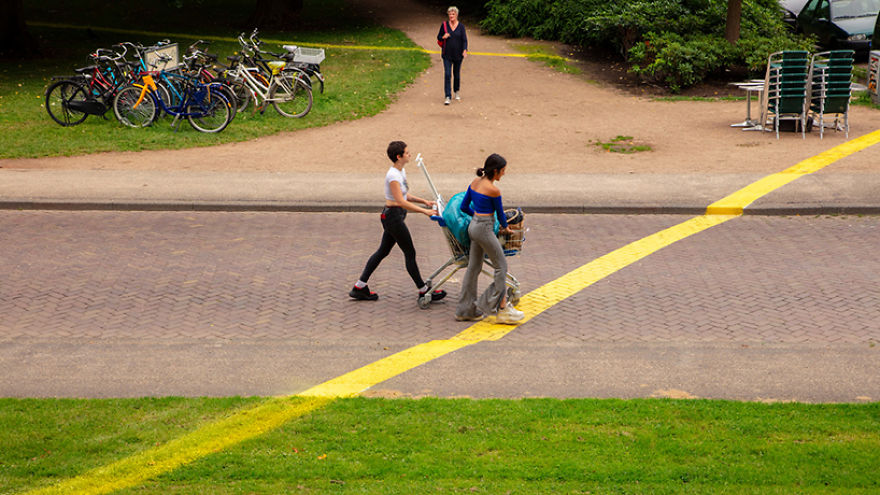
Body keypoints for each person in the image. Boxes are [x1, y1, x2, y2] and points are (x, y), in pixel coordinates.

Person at [349, 141, 447, 304]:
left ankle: (359, 287)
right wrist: (425, 212)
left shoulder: (400, 171)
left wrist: (425, 201)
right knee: (410, 253)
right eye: (407, 153)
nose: (409, 154)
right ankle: (423, 291)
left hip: (395, 217)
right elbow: (400, 201)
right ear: (398, 156)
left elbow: (405, 195)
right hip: (393, 218)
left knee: (382, 251)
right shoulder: (393, 176)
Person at [455, 153, 524, 324]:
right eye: (503, 171)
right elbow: (500, 214)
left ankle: (465, 310)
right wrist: (506, 228)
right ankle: (496, 307)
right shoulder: (494, 190)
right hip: (484, 229)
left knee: (473, 268)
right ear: (495, 171)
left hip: (474, 226)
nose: (504, 174)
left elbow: (464, 207)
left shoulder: (474, 183)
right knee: (501, 266)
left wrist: (477, 217)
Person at [437, 6, 468, 106]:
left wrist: (465, 50)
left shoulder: (461, 27)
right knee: (447, 74)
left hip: (458, 54)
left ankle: (456, 91)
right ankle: (447, 96)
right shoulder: (444, 25)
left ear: (457, 15)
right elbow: (438, 37)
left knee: (456, 74)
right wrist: (443, 37)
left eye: (453, 14)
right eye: (450, 14)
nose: (451, 16)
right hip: (447, 54)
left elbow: (464, 40)